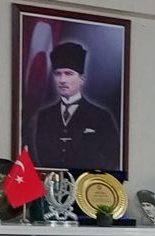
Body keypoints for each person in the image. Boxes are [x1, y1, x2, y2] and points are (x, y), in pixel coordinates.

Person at [31, 42, 120, 171]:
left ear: (82, 79)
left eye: (68, 74)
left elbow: (113, 156)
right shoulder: (44, 116)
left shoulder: (101, 116)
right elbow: (39, 156)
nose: (62, 80)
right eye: (58, 74)